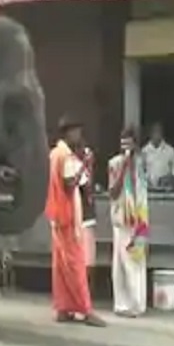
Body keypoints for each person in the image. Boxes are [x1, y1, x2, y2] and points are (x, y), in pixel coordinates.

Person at [44, 114, 106, 327]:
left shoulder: (54, 154)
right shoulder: (66, 156)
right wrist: (85, 164)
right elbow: (70, 183)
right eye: (76, 131)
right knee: (76, 265)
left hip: (56, 215)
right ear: (68, 133)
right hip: (68, 217)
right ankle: (85, 310)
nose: (79, 135)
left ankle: (63, 308)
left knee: (61, 266)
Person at [108, 126, 150, 317]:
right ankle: (122, 304)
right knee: (121, 265)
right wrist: (123, 167)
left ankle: (137, 304)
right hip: (120, 220)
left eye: (129, 142)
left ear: (135, 144)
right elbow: (113, 192)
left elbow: (142, 192)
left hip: (139, 220)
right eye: (122, 142)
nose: (125, 146)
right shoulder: (114, 163)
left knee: (136, 261)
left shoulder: (142, 164)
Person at [74, 141, 98, 286]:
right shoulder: (73, 167)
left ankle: (88, 291)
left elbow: (89, 190)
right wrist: (84, 165)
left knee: (89, 260)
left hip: (87, 218)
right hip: (76, 218)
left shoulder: (86, 173)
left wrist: (88, 167)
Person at [141, 122, 174, 191]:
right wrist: (146, 180)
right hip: (149, 190)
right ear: (150, 134)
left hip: (166, 190)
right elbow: (140, 171)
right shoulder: (144, 151)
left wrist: (170, 178)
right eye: (155, 132)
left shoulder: (170, 150)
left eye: (159, 132)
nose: (157, 134)